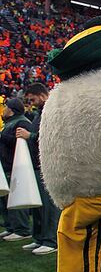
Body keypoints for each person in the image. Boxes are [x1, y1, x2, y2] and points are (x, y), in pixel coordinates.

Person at [15, 83, 60, 255]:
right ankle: (40, 238)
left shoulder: (52, 111)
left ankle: (51, 240)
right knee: (38, 206)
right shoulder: (39, 114)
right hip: (37, 165)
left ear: (41, 95)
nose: (31, 103)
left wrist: (30, 136)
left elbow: (53, 137)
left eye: (32, 99)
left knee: (49, 207)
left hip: (48, 166)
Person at [0, 98, 33, 242]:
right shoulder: (10, 122)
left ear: (12, 109)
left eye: (6, 106)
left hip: (16, 165)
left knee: (15, 198)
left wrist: (1, 135)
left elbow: (20, 142)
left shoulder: (22, 122)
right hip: (8, 164)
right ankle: (11, 227)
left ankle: (21, 229)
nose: (4, 109)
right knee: (6, 199)